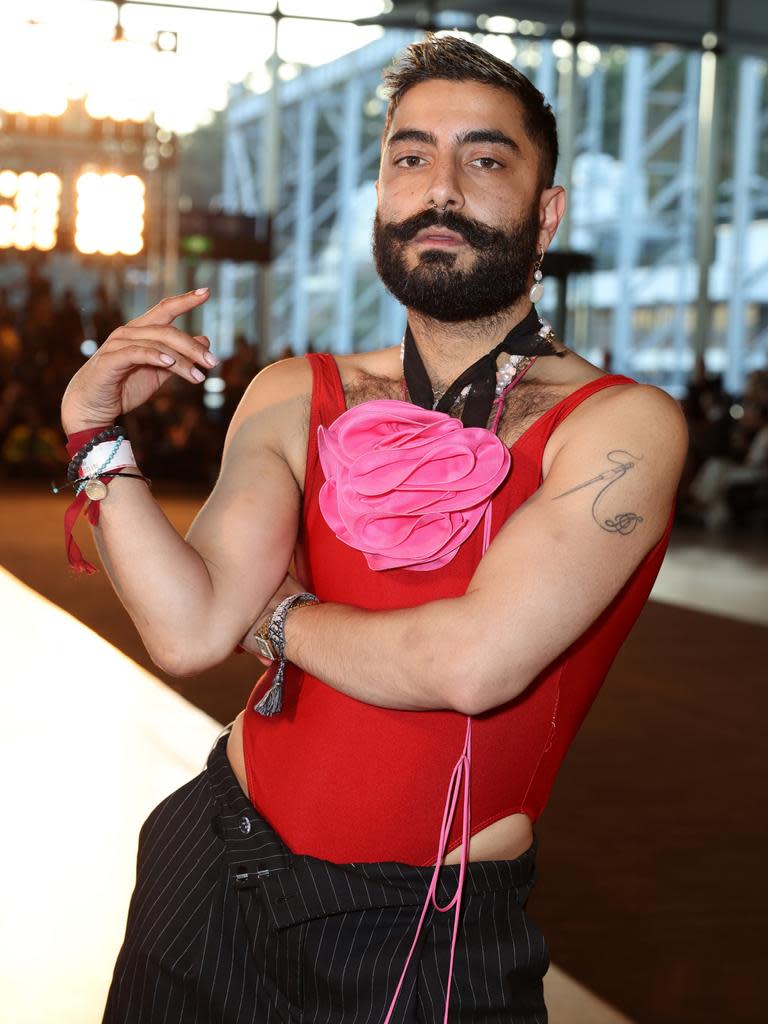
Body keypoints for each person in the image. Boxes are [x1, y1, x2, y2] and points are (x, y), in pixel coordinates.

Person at [61, 35, 687, 1024]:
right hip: (213, 855)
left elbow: (471, 664)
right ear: (382, 196)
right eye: (409, 157)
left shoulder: (620, 425)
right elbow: (186, 629)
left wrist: (274, 618)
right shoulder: (293, 392)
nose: (439, 187)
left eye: (484, 160)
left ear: (545, 210)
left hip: (421, 925)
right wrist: (97, 436)